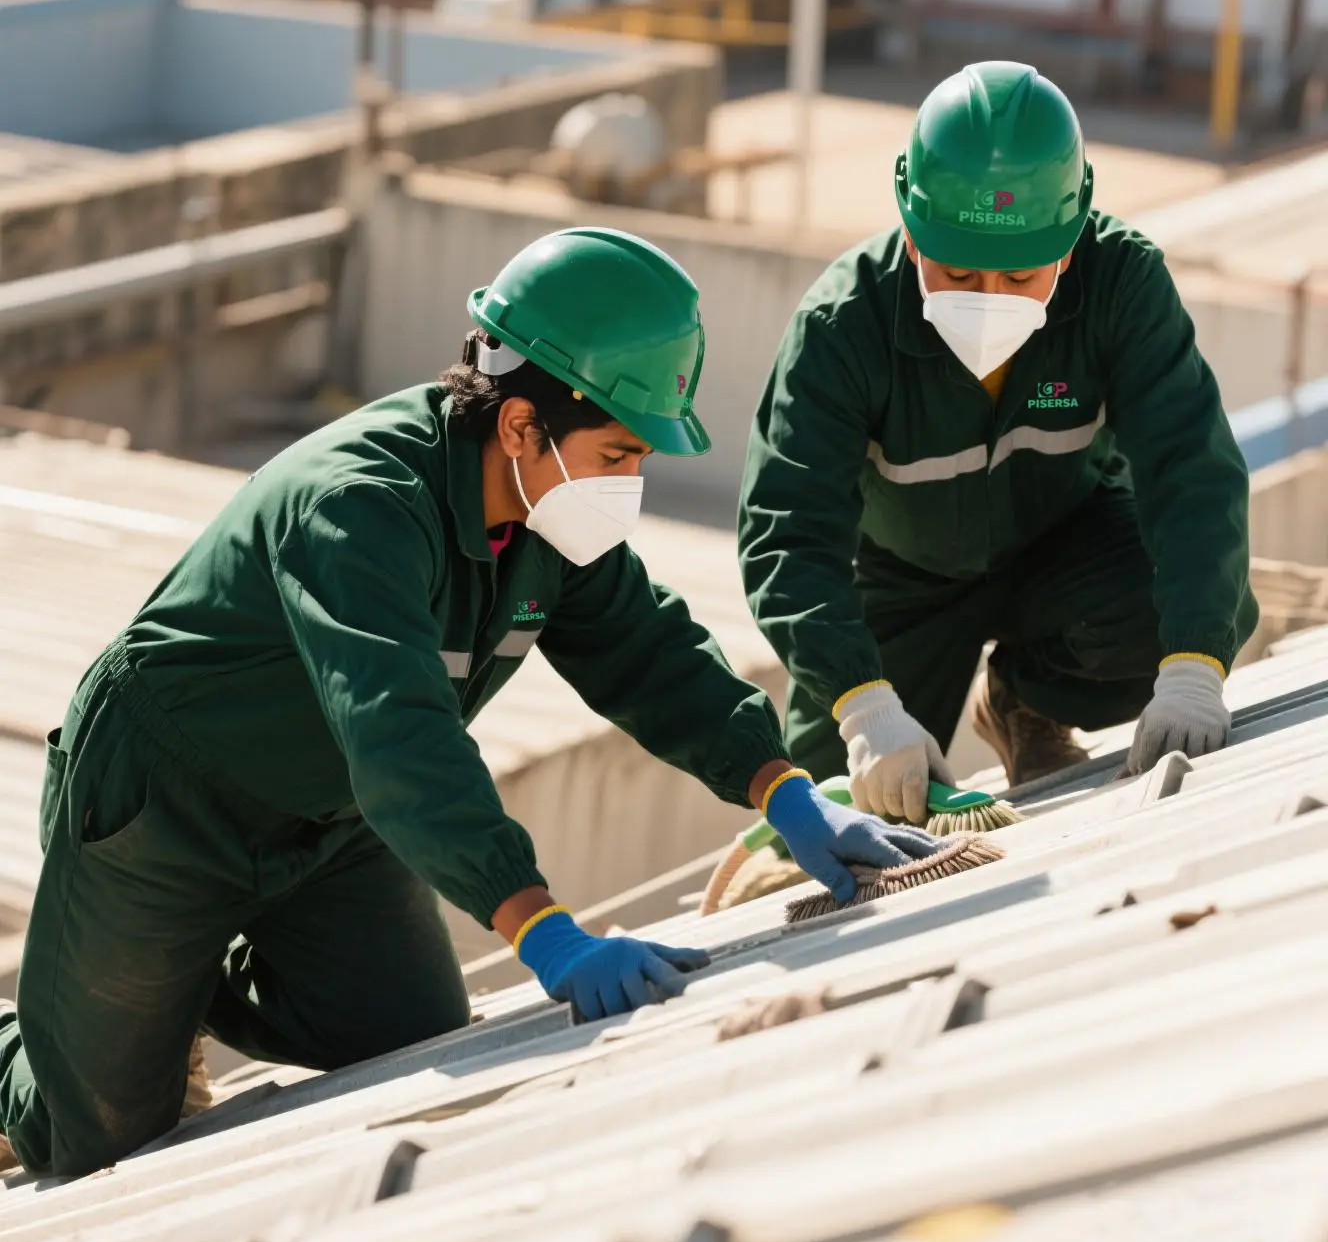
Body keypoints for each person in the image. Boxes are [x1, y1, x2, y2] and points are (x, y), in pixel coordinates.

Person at [0, 226, 941, 1179]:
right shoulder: (358, 506)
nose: (631, 485)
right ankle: (53, 1034)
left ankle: (164, 986)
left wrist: (784, 789)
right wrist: (547, 932)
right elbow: (400, 737)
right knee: (90, 1134)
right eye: (618, 454)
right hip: (168, 807)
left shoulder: (548, 511)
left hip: (331, 815)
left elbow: (649, 651)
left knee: (404, 1030)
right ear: (522, 425)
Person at [739, 61, 1257, 824]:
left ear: (1070, 241)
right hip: (901, 579)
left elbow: (1191, 469)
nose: (989, 300)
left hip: (1067, 548)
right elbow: (787, 531)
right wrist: (863, 707)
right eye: (957, 271)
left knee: (1172, 619)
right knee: (836, 808)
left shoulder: (1123, 284)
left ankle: (1023, 701)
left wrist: (1194, 667)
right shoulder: (842, 325)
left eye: (1020, 277)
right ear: (912, 230)